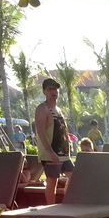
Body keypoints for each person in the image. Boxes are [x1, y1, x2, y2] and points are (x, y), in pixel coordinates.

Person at [34, 78, 73, 206]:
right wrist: (50, 152)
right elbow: (40, 132)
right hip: (50, 153)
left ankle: (66, 203)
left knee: (73, 177)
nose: (54, 91)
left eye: (55, 89)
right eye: (50, 89)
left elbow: (61, 130)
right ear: (44, 91)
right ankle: (51, 208)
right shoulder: (42, 109)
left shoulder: (59, 109)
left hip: (63, 153)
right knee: (52, 180)